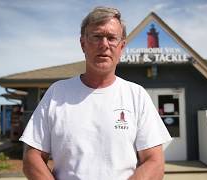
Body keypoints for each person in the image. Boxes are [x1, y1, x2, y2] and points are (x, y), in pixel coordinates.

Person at [20, 6, 172, 180]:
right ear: (83, 44)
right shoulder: (56, 93)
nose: (104, 44)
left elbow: (155, 162)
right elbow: (32, 157)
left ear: (121, 47)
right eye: (97, 36)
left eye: (112, 38)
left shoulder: (137, 95)